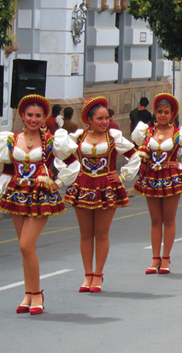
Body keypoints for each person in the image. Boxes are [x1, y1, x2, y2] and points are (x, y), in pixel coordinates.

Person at [0, 95, 79, 315]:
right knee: (26, 248)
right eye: (30, 115)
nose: (33, 119)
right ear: (22, 115)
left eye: (38, 115)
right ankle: (28, 294)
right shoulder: (11, 140)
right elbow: (8, 171)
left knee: (25, 245)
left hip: (40, 197)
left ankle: (37, 293)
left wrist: (56, 182)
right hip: (16, 195)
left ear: (44, 117)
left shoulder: (51, 141)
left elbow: (73, 163)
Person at [65, 97, 141, 292]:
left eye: (106, 118)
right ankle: (87, 274)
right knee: (85, 233)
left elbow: (134, 156)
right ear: (89, 120)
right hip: (82, 187)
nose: (104, 122)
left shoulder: (114, 137)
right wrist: (70, 176)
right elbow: (62, 158)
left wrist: (122, 177)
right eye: (100, 118)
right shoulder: (78, 138)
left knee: (101, 232)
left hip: (106, 187)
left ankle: (98, 274)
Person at [132, 93, 182, 273]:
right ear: (155, 113)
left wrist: (180, 164)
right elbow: (136, 150)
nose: (163, 115)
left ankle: (166, 259)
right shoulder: (147, 133)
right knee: (155, 220)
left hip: (171, 178)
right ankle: (155, 258)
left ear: (172, 115)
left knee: (169, 219)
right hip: (151, 178)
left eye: (166, 112)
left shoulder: (179, 134)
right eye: (160, 112)